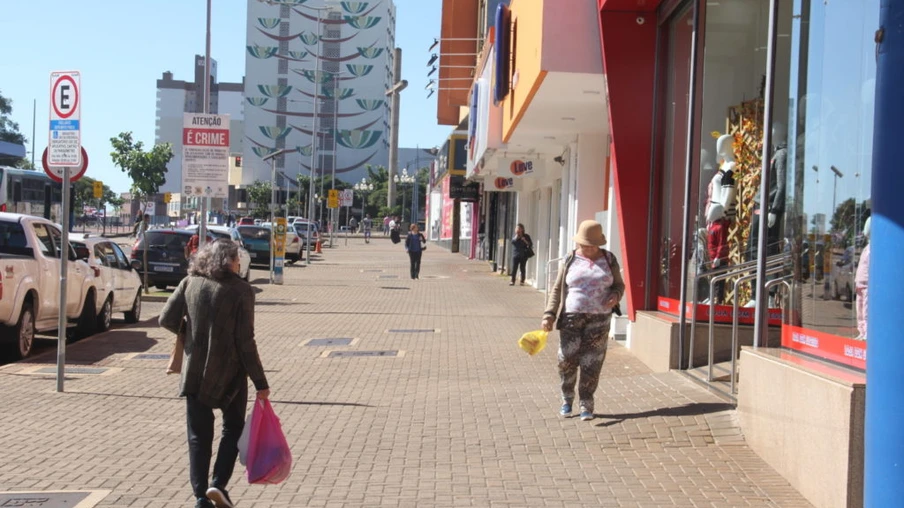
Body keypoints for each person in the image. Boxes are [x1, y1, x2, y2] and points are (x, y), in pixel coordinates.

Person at [159, 239, 270, 508]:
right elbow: (246, 341)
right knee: (233, 428)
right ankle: (217, 484)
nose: (239, 263)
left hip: (195, 371)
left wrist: (191, 334)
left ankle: (200, 497)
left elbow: (166, 319)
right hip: (231, 373)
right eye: (236, 259)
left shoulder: (190, 283)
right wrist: (260, 382)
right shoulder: (242, 291)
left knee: (198, 435)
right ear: (227, 261)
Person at [541, 220, 625, 422]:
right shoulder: (570, 259)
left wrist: (615, 295)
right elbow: (556, 289)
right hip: (571, 317)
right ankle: (567, 398)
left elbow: (619, 285)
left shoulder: (609, 258)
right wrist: (549, 314)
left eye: (592, 245)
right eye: (585, 244)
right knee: (566, 359)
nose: (588, 248)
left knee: (592, 362)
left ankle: (586, 402)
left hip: (599, 319)